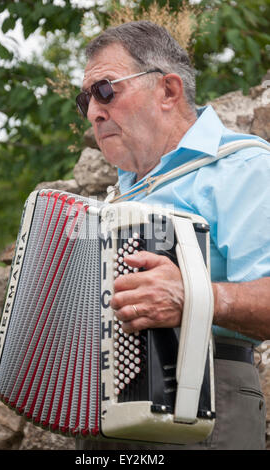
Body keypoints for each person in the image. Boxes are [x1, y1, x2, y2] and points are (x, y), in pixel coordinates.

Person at [75, 21, 270, 450]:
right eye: (85, 99)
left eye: (105, 90)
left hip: (204, 409)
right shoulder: (115, 198)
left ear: (168, 90)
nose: (93, 111)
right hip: (103, 422)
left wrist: (195, 297)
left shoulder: (244, 166)